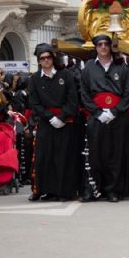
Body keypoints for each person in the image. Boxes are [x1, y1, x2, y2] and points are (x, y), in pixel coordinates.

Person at [80, 35, 129, 202]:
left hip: (117, 116)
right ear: (95, 47)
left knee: (115, 154)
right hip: (96, 116)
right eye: (99, 44)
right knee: (94, 154)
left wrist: (115, 112)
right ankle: (92, 190)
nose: (103, 47)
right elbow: (84, 93)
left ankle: (113, 190)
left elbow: (128, 93)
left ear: (111, 46)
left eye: (106, 44)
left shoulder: (121, 67)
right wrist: (97, 113)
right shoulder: (88, 67)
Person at [28, 43, 80, 202]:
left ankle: (64, 191)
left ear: (53, 58)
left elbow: (72, 99)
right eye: (42, 58)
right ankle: (43, 189)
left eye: (48, 57)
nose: (46, 60)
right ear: (38, 61)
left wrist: (62, 117)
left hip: (65, 121)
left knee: (63, 157)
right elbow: (34, 103)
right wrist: (50, 117)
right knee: (44, 156)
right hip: (46, 120)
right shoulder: (34, 79)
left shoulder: (66, 75)